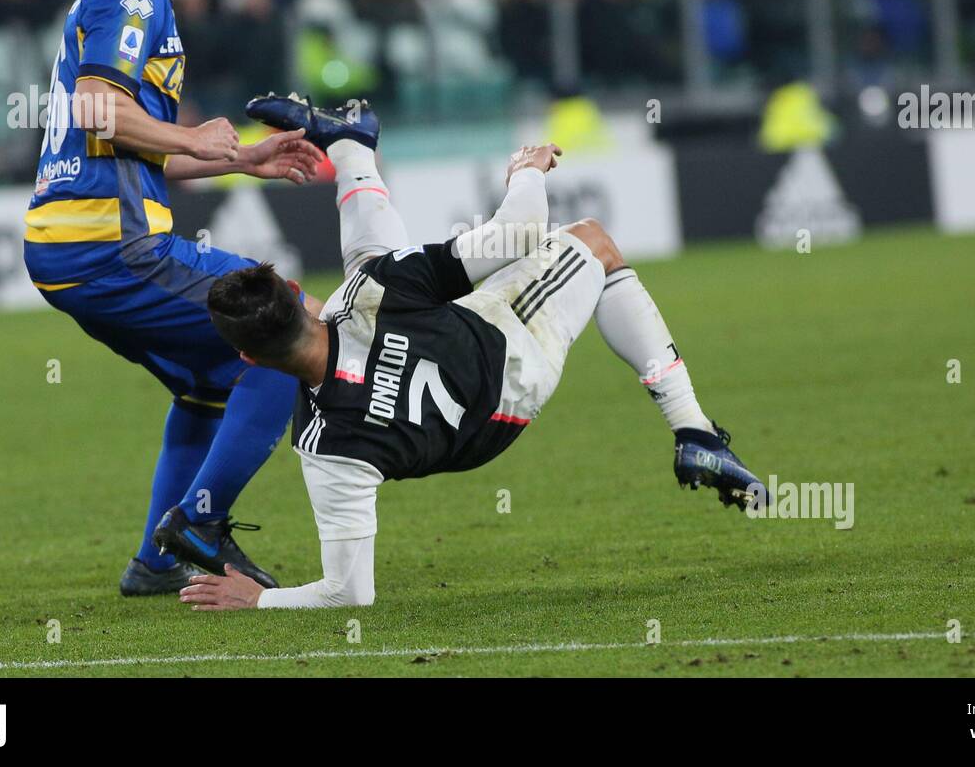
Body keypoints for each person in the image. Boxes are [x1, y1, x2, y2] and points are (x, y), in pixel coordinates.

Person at [176, 93, 763, 610]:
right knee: (593, 242)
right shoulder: (376, 289)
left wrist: (261, 599)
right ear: (300, 296)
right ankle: (695, 433)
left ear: (250, 360)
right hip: (508, 359)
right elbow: (520, 231)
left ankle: (354, 149)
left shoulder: (324, 448)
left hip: (483, 426)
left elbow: (349, 593)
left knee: (371, 279)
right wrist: (527, 171)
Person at [23, 0, 323, 596]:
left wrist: (241, 160)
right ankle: (199, 524)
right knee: (288, 326)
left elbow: (125, 143)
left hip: (76, 247)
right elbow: (99, 106)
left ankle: (158, 563)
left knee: (215, 375)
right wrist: (192, 137)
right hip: (109, 246)